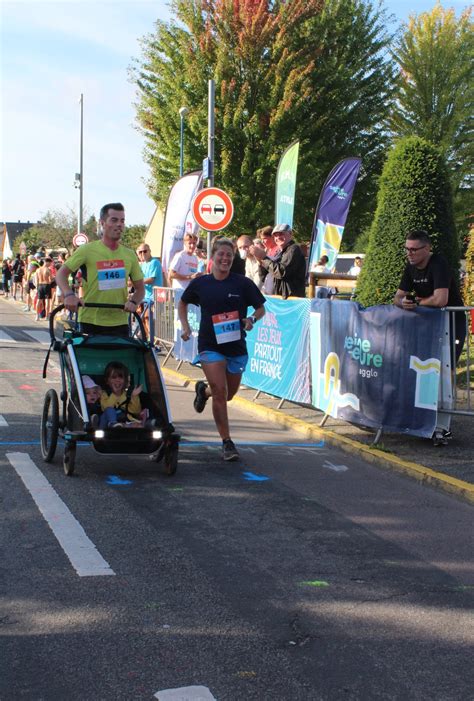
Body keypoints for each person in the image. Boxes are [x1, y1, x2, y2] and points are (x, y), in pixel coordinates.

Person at [178, 237, 266, 461]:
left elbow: (260, 308)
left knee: (228, 394)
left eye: (229, 255)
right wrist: (186, 326)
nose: (225, 259)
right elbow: (183, 302)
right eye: (221, 254)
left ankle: (203, 391)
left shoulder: (242, 283)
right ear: (213, 257)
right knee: (220, 391)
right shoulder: (201, 283)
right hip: (209, 345)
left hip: (236, 346)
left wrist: (251, 320)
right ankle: (227, 442)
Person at [393, 229, 466, 446]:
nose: (410, 253)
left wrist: (416, 303)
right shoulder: (410, 267)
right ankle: (424, 420)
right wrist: (403, 302)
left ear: (427, 249)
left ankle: (442, 427)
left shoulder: (439, 263)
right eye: (407, 249)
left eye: (414, 249)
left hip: (452, 323)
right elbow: (398, 296)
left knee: (445, 371)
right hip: (428, 326)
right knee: (424, 369)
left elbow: (441, 299)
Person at [56, 203, 144, 336]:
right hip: (91, 321)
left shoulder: (130, 254)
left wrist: (133, 302)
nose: (119, 224)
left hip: (119, 322)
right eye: (114, 220)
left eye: (122, 221)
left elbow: (140, 288)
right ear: (102, 223)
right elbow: (61, 274)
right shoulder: (87, 250)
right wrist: (69, 295)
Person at [251, 223, 307, 298]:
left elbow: (282, 272)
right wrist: (259, 260)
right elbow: (262, 276)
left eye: (281, 234)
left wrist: (264, 258)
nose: (278, 237)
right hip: (278, 297)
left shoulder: (294, 249)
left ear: (290, 234)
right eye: (275, 235)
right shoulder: (279, 252)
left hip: (291, 298)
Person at [99, 361, 145, 429]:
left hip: (124, 422)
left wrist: (134, 396)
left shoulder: (129, 394)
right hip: (107, 424)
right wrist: (115, 394)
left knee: (139, 425)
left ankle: (121, 425)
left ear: (125, 381)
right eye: (114, 377)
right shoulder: (104, 394)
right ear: (107, 381)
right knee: (109, 410)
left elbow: (136, 411)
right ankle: (114, 424)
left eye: (121, 377)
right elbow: (105, 408)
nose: (117, 380)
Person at [137, 243, 163, 339]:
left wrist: (135, 282)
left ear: (149, 251)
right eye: (140, 252)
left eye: (145, 251)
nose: (143, 253)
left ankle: (153, 340)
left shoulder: (154, 262)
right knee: (143, 318)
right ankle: (148, 338)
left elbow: (151, 279)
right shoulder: (142, 265)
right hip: (145, 296)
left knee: (149, 318)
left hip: (154, 296)